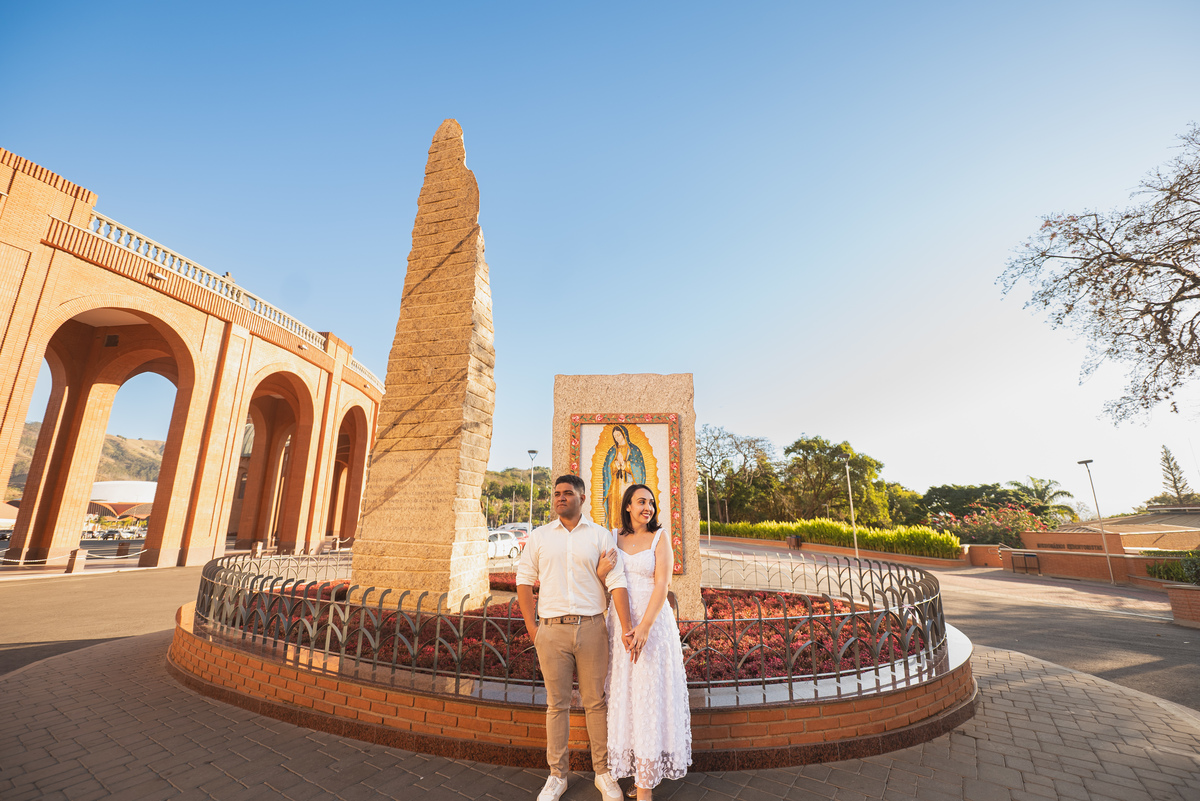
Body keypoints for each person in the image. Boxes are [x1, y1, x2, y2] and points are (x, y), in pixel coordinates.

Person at [517, 475, 636, 801]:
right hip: (551, 632)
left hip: (592, 628)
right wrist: (533, 628)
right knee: (557, 705)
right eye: (556, 493)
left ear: (581, 498)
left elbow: (617, 582)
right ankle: (557, 776)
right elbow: (524, 581)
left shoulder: (599, 536)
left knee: (595, 703)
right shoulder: (540, 537)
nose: (560, 498)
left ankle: (602, 773)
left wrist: (627, 628)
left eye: (567, 493)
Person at [597, 484, 692, 800]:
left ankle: (645, 788)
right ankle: (635, 770)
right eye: (641, 502)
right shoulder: (612, 537)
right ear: (627, 507)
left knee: (649, 698)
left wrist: (644, 629)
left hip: (653, 626)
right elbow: (603, 577)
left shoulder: (660, 537)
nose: (647, 507)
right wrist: (627, 628)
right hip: (621, 625)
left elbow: (662, 584)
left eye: (651, 502)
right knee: (627, 698)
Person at [602, 425, 645, 530]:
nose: (616, 438)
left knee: (627, 507)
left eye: (618, 435)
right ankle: (614, 532)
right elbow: (607, 468)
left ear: (624, 435)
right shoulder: (612, 451)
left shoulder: (634, 450)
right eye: (614, 436)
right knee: (615, 510)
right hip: (615, 486)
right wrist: (616, 464)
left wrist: (625, 464)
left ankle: (630, 530)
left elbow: (639, 469)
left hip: (628, 485)